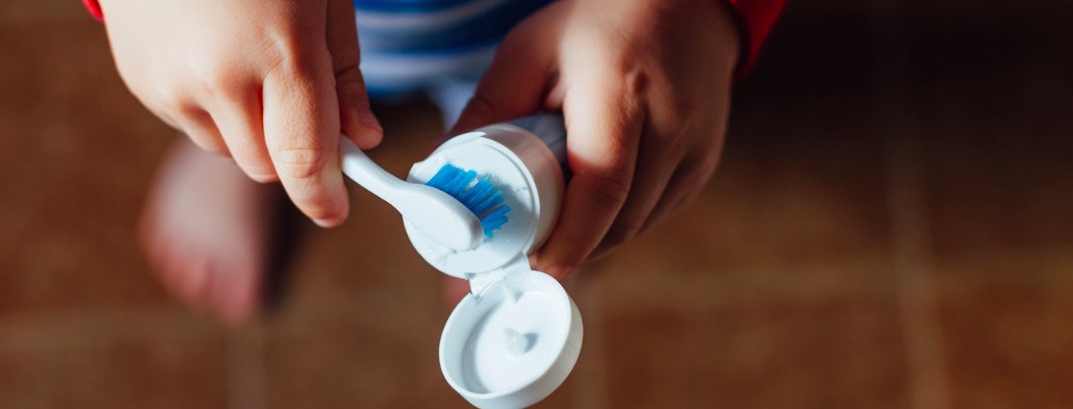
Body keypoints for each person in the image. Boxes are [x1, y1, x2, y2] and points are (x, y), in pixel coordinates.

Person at [84, 0, 785, 323]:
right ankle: (254, 135)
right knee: (265, 86)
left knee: (568, 138)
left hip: (569, 22)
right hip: (289, 21)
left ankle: (540, 190)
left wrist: (698, 11)